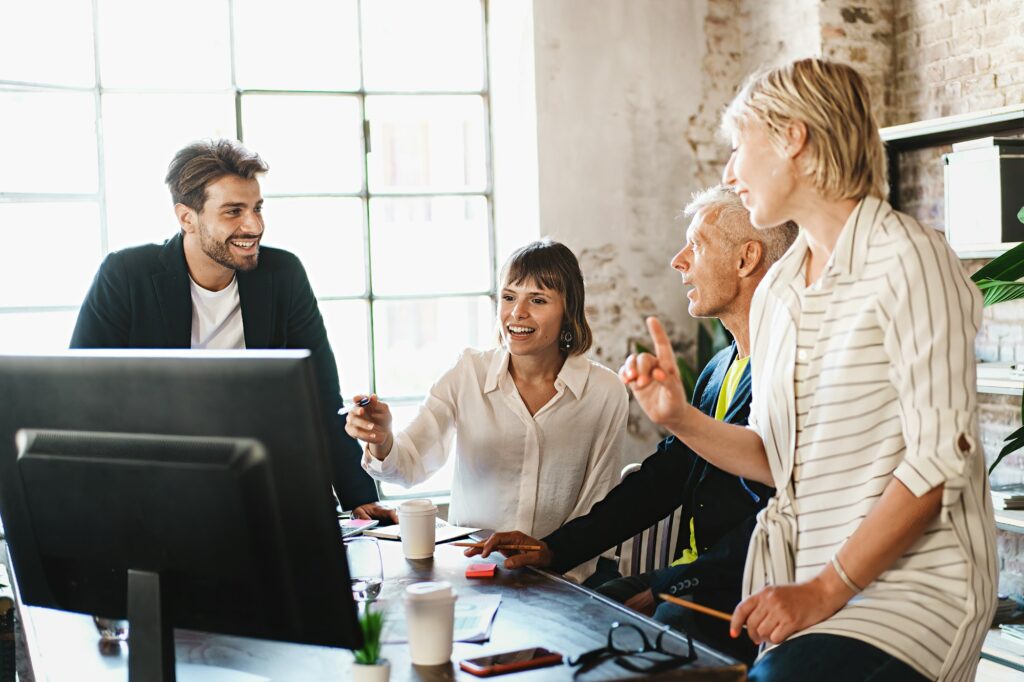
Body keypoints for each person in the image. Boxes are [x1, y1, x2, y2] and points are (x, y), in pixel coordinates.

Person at [621, 58, 996, 681]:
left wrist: (824, 590)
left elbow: (939, 464)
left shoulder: (911, 258)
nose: (730, 171)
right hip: (809, 590)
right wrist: (679, 417)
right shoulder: (780, 291)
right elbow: (776, 459)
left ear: (794, 138)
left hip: (912, 597)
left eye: (741, 146)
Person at [467, 186, 798, 663]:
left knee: (644, 634)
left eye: (697, 245)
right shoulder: (719, 367)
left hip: (742, 589)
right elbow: (660, 481)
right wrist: (553, 550)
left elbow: (776, 514)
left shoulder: (788, 369)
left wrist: (669, 586)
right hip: (687, 578)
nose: (678, 261)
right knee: (566, 614)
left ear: (747, 258)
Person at [71, 138, 393, 522]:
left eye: (257, 208)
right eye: (233, 212)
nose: (254, 225)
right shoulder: (125, 276)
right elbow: (81, 404)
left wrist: (358, 497)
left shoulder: (283, 275)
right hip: (159, 499)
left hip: (267, 492)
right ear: (186, 217)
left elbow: (320, 396)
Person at [346, 240, 627, 581]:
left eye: (537, 300)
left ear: (569, 310)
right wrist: (381, 438)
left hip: (562, 577)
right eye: (509, 297)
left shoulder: (605, 392)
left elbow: (596, 506)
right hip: (471, 571)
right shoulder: (468, 373)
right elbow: (406, 466)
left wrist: (555, 566)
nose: (517, 313)